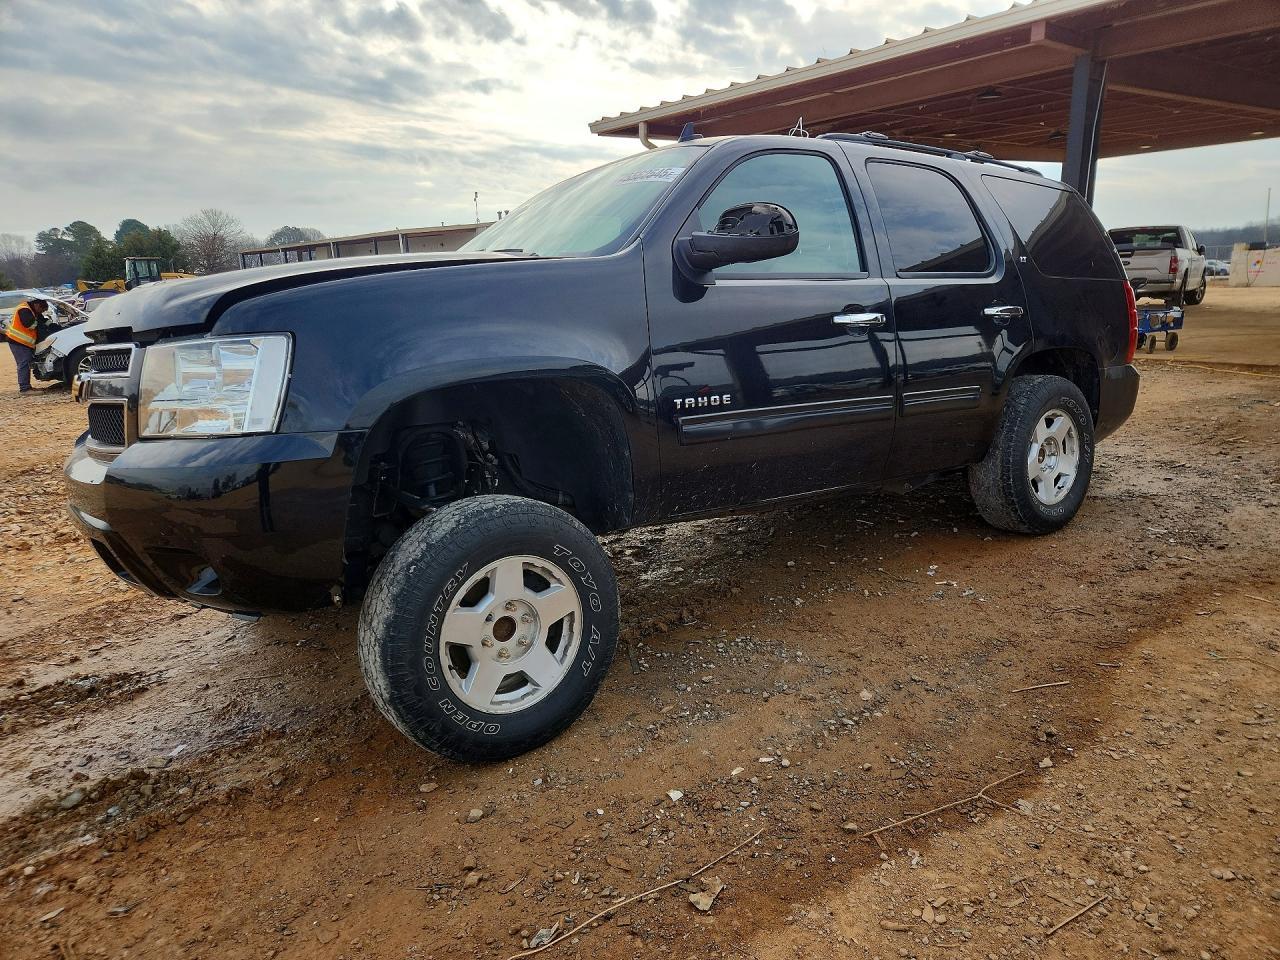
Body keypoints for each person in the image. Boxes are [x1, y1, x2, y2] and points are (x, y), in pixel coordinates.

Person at [5, 297, 48, 394]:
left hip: (22, 342)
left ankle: (27, 387)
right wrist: (40, 324)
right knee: (24, 363)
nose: (41, 312)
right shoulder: (24, 309)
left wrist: (50, 325)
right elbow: (30, 324)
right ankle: (25, 388)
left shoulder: (31, 309)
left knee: (25, 362)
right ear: (37, 305)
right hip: (18, 341)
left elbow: (42, 320)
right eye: (42, 310)